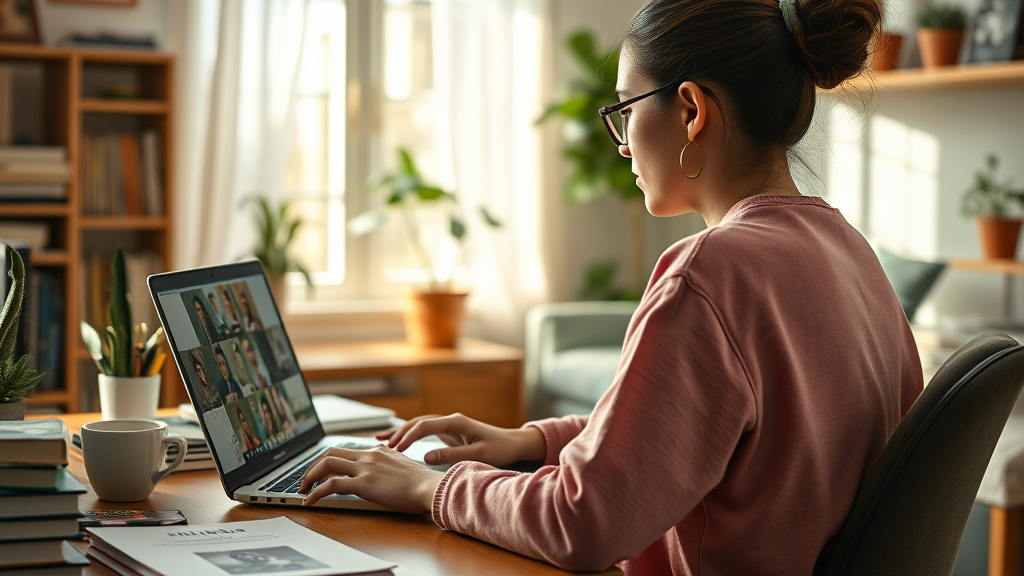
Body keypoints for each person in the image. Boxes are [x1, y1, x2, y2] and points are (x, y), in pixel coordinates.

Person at [299, 0, 923, 573]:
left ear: (691, 110)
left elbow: (585, 521)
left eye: (624, 109)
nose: (621, 144)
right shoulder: (850, 254)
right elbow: (693, 438)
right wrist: (532, 441)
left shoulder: (711, 272)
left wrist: (426, 487)